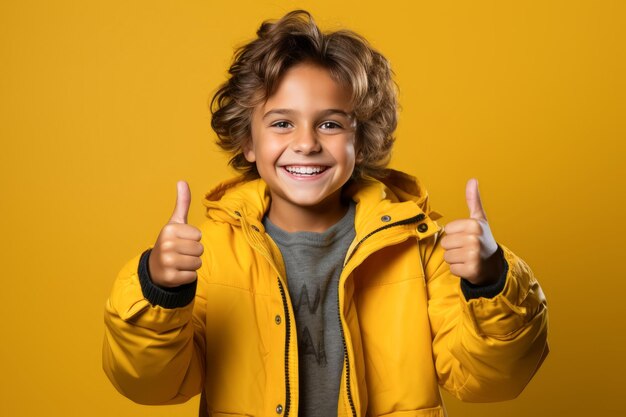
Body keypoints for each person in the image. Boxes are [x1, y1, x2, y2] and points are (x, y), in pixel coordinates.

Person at [102, 9, 548, 417]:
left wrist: (490, 281)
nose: (307, 142)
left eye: (330, 123)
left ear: (362, 139)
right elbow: (151, 386)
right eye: (281, 123)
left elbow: (493, 380)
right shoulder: (210, 254)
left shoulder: (420, 250)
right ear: (248, 142)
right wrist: (159, 291)